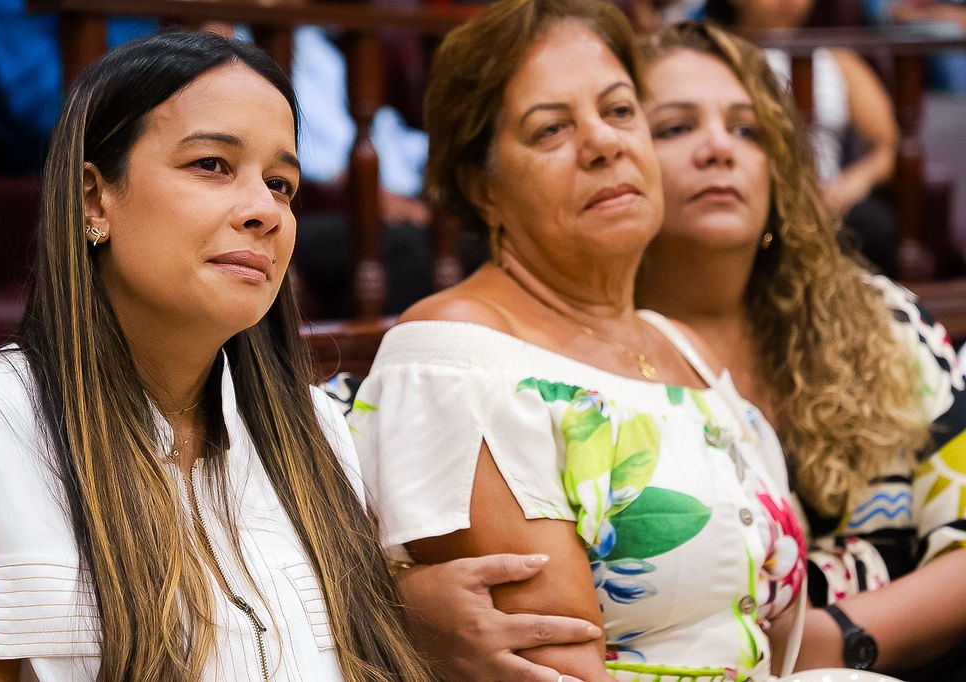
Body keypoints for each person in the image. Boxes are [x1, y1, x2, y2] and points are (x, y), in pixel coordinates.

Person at [0, 31, 431, 681]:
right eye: (211, 165)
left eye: (280, 183)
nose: (263, 210)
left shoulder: (317, 427)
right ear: (94, 199)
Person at [349, 0, 806, 679]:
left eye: (620, 111)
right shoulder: (458, 360)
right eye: (551, 129)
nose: (604, 143)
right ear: (483, 187)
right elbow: (557, 665)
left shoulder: (675, 344)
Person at [636, 21, 966, 678]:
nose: (719, 148)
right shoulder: (582, 362)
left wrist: (834, 643)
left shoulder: (882, 318)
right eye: (675, 127)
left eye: (747, 129)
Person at [700, 0, 902, 278]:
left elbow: (889, 146)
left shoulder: (838, 60)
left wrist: (848, 187)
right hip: (747, 198)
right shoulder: (709, 58)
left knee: (874, 225)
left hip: (829, 203)